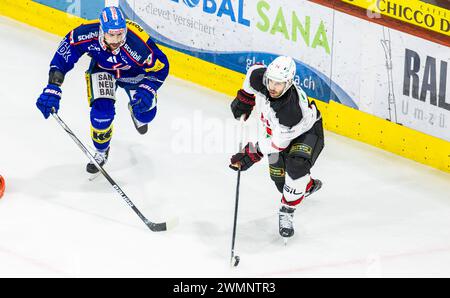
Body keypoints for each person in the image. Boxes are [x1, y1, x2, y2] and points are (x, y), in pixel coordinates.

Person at [36, 6, 169, 174]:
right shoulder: (85, 33)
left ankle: (135, 109)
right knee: (101, 115)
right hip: (103, 71)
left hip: (135, 75)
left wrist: (148, 89)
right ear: (102, 31)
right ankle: (101, 151)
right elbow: (62, 58)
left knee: (146, 114)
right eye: (111, 35)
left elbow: (161, 67)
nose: (116, 40)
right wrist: (53, 87)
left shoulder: (138, 43)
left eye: (120, 34)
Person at [229, 56, 324, 241]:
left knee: (296, 167)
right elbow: (252, 73)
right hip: (274, 133)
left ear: (288, 83)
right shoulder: (261, 78)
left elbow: (278, 144)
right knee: (280, 182)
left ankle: (287, 210)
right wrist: (246, 98)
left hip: (306, 133)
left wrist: (251, 154)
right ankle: (308, 185)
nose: (272, 87)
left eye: (279, 84)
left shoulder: (291, 111)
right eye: (271, 80)